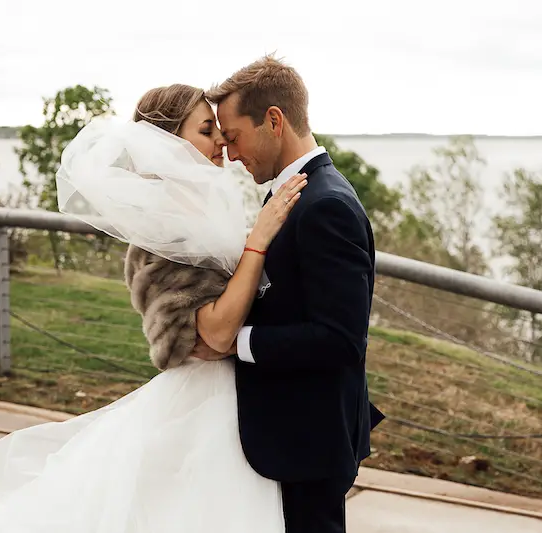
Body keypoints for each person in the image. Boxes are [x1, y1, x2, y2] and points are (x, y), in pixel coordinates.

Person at [0, 84, 306, 533]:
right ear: (168, 144)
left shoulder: (197, 211)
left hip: (239, 399)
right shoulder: (162, 229)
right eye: (206, 130)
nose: (221, 141)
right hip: (205, 406)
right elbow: (215, 334)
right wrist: (258, 241)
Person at [193, 55, 384, 533]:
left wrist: (233, 342)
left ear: (273, 121)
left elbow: (341, 339)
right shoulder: (295, 194)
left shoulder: (326, 207)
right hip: (291, 435)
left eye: (233, 137)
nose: (230, 153)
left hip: (309, 442)